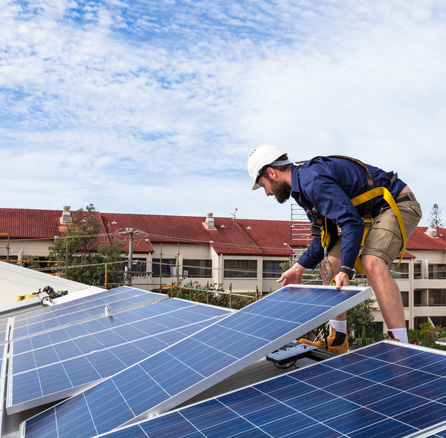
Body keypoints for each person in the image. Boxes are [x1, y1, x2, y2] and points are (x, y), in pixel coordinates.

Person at [247, 144, 422, 354]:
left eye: (263, 185)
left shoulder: (312, 180)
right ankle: (338, 340)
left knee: (372, 262)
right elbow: (325, 236)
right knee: (330, 263)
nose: (266, 193)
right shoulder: (301, 189)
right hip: (366, 215)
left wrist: (346, 270)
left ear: (272, 172)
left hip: (397, 204)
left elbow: (351, 223)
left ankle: (401, 348)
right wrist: (299, 268)